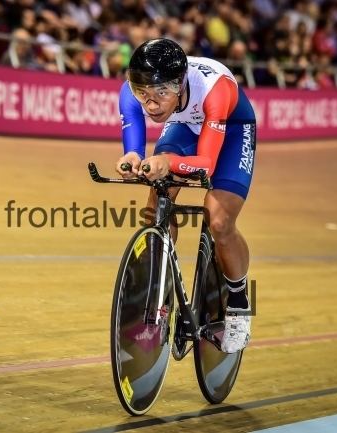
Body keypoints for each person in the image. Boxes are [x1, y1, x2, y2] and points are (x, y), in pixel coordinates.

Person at [116, 38, 256, 353]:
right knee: (157, 207)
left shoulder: (214, 89)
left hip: (231, 128)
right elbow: (134, 142)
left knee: (219, 220)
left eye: (160, 94)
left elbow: (205, 166)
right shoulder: (132, 90)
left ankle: (239, 300)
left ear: (179, 85)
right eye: (144, 95)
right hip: (185, 126)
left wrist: (166, 163)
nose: (151, 105)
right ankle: (159, 297)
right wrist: (133, 158)